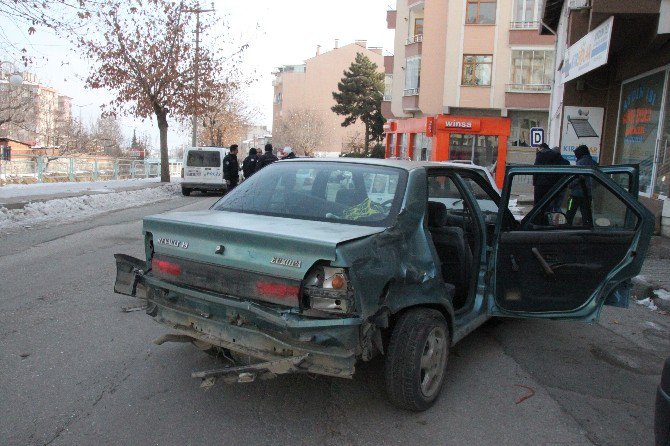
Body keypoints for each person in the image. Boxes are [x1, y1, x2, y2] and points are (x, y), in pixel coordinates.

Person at [566, 144, 597, 226]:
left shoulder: (579, 163)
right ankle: (586, 231)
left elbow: (574, 179)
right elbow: (597, 182)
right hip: (588, 195)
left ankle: (566, 228)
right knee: (586, 215)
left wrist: (570, 185)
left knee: (569, 212)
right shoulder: (595, 164)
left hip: (575, 194)